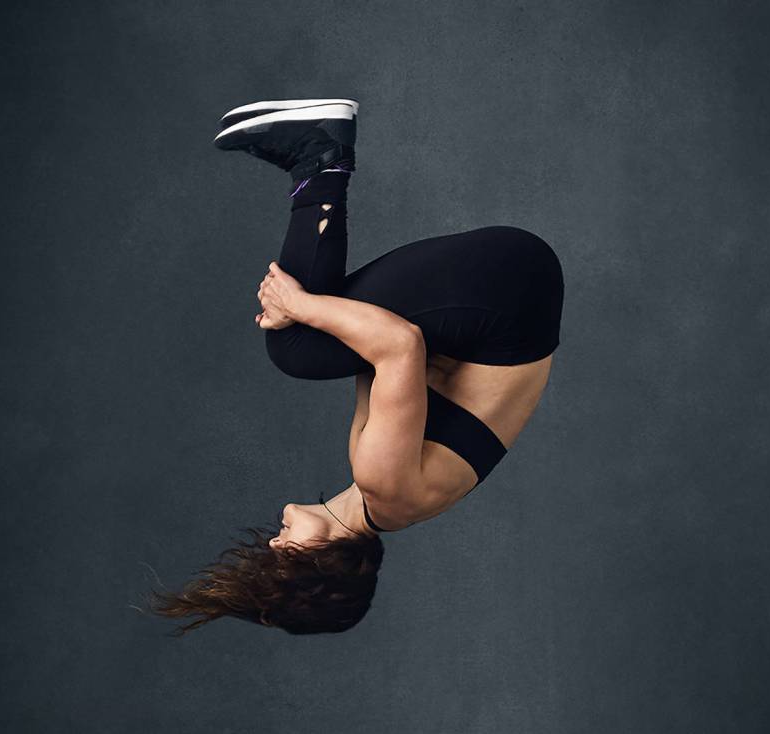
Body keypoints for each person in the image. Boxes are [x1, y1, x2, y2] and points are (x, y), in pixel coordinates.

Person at [148, 98, 563, 635]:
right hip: (506, 292)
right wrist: (298, 306)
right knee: (295, 348)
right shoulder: (383, 483)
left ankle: (316, 162)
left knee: (312, 337)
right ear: (322, 564)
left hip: (512, 292)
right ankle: (319, 156)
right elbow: (399, 344)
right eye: (283, 557)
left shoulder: (383, 497)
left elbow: (374, 353)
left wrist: (308, 310)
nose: (274, 541)